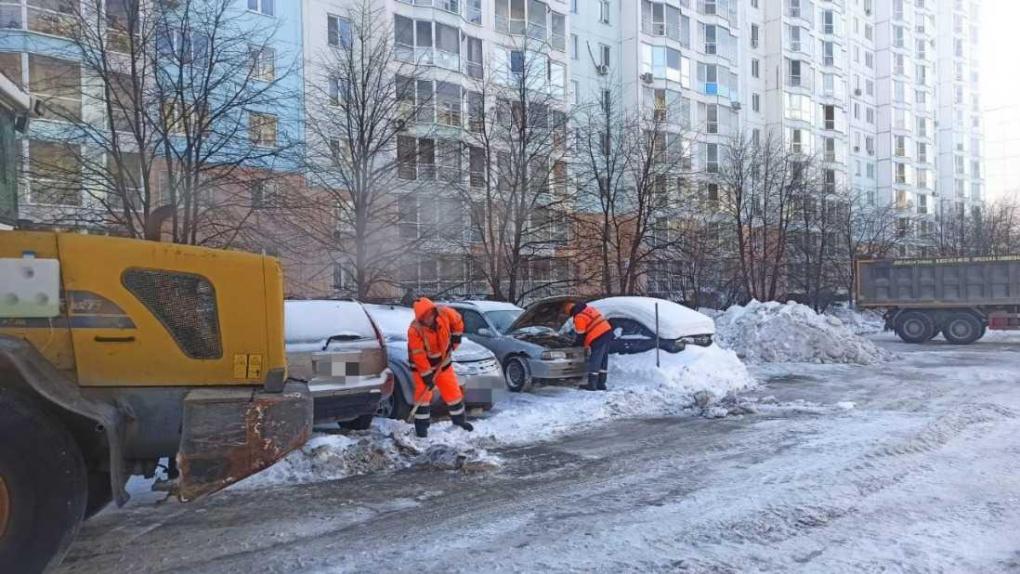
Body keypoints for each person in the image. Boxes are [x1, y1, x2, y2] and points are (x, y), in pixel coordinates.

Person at [407, 297, 474, 438]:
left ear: (433, 311)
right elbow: (418, 354)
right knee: (423, 396)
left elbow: (458, 321)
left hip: (442, 362)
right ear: (420, 318)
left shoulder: (445, 313)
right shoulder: (414, 330)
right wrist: (426, 375)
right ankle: (421, 428)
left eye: (429, 314)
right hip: (421, 367)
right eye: (424, 317)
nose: (428, 318)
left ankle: (460, 421)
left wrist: (456, 338)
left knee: (453, 393)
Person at [566, 301, 614, 391]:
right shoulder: (589, 309)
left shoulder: (579, 317)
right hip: (608, 332)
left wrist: (575, 345)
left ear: (571, 312)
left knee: (595, 359)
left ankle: (592, 384)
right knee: (603, 359)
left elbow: (580, 335)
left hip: (598, 336)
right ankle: (601, 383)